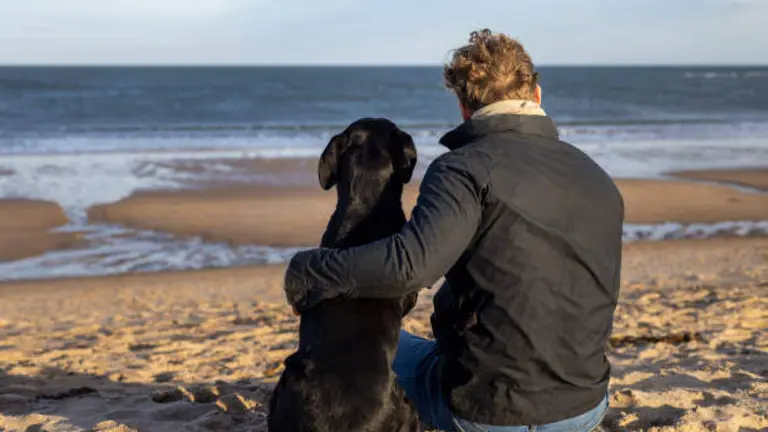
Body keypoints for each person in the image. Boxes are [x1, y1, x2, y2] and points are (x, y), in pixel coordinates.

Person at [283, 29, 623, 432]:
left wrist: (310, 270)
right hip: (585, 404)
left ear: (464, 108)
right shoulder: (596, 175)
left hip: (494, 415)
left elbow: (410, 266)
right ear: (536, 95)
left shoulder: (463, 169)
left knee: (367, 350)